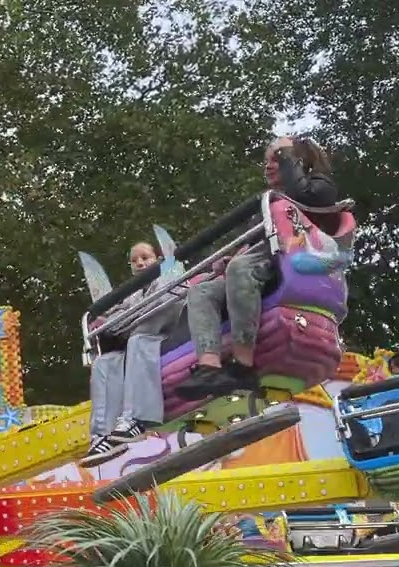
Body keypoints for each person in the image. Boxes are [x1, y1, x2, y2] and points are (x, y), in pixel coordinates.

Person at [175, 136, 340, 400]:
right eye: (266, 161)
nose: (268, 166)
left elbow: (310, 200)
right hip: (261, 260)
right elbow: (251, 245)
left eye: (278, 159)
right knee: (202, 292)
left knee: (240, 268)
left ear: (298, 161)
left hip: (294, 255)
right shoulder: (262, 207)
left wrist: (290, 162)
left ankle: (243, 365)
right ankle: (209, 366)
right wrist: (229, 259)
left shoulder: (319, 187)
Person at [85, 240, 186, 466]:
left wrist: (126, 320)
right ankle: (103, 434)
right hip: (137, 339)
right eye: (134, 261)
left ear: (158, 259)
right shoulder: (133, 294)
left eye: (145, 258)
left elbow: (166, 305)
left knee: (139, 340)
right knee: (105, 362)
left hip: (165, 335)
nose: (139, 263)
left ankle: (136, 418)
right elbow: (116, 320)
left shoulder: (168, 276)